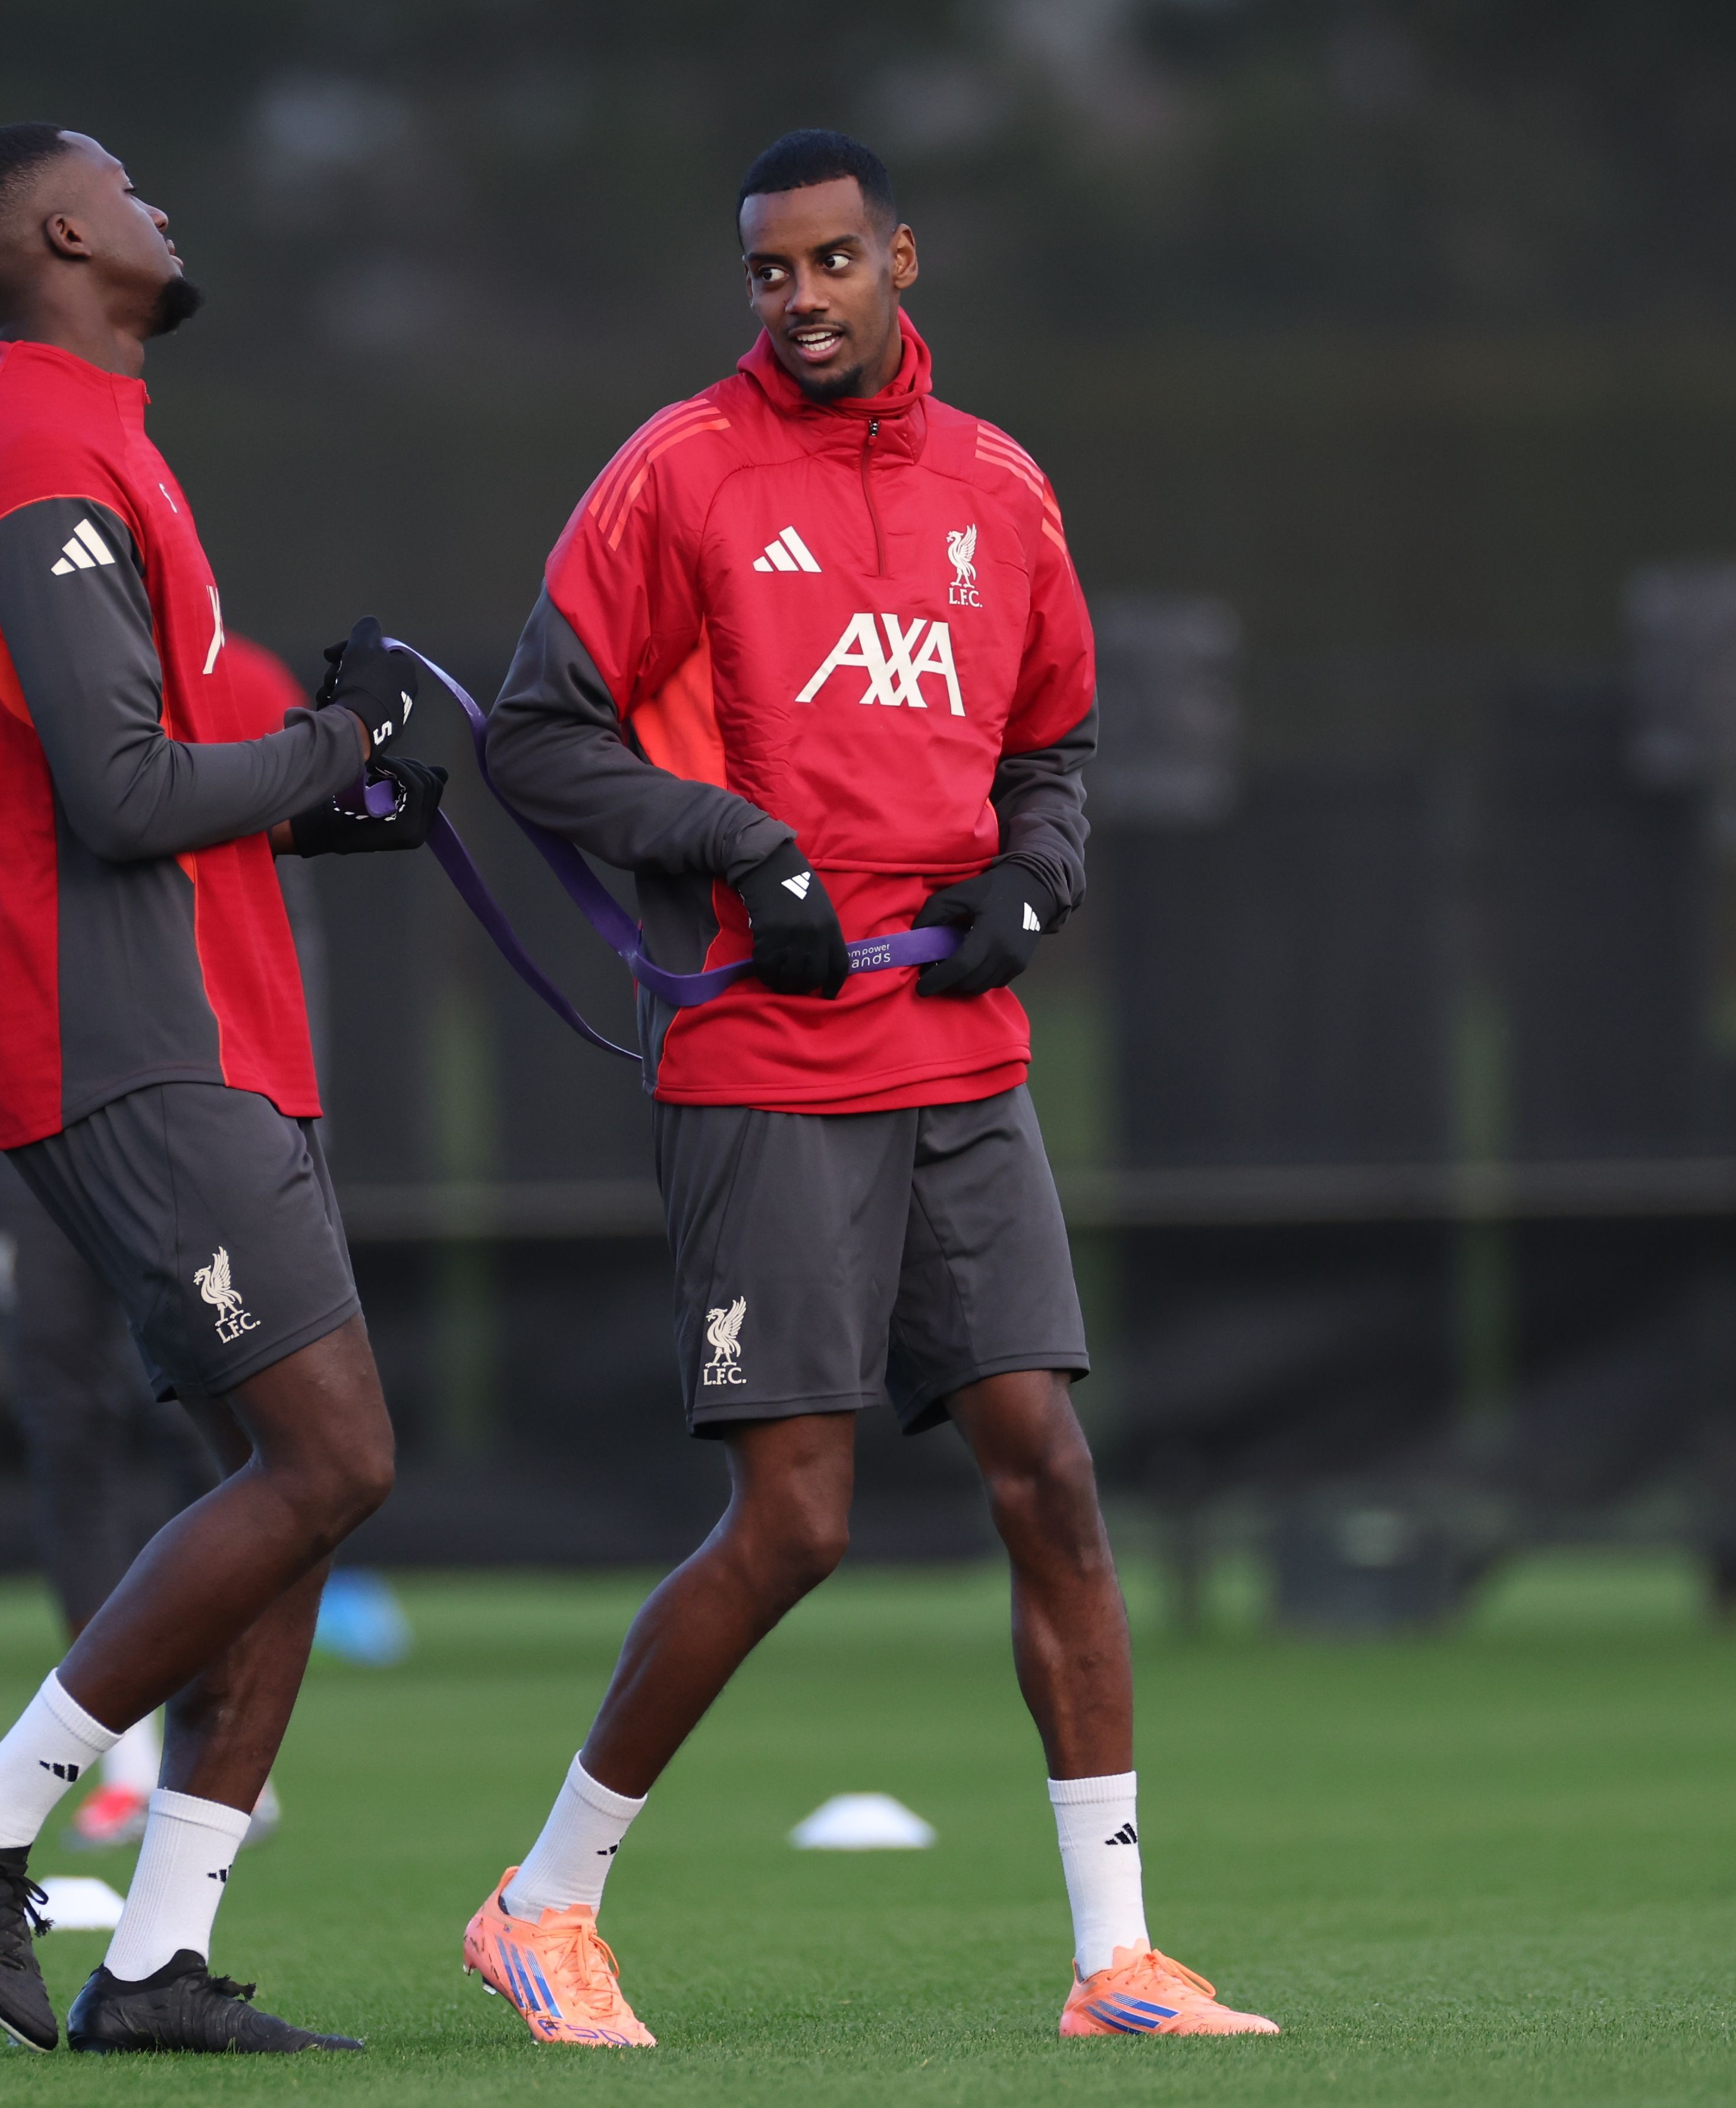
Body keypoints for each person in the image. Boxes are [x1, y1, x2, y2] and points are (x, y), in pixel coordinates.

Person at [461, 130, 1278, 2046]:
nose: (799, 298)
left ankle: (1115, 1966)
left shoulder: (1000, 484)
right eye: (768, 271)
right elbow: (533, 739)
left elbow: (1052, 751)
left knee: (1050, 1479)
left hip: (959, 1063)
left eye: (831, 261)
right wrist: (746, 853)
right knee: (796, 1525)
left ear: (900, 259)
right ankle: (540, 1900)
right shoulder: (676, 473)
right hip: (763, 1061)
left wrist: (1029, 881)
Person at [0, 122, 445, 2057]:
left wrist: (329, 787)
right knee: (329, 1461)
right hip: (129, 1045)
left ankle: (156, 1963)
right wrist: (329, 743)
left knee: (282, 1489)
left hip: (192, 1036)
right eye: (126, 188)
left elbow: (153, 774)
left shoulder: (90, 437)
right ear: (55, 235)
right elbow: (117, 798)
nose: (159, 210)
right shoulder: (34, 443)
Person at [0, 645, 332, 1852]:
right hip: (35, 1121)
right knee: (68, 1420)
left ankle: (197, 1742)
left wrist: (284, 1107)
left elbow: (278, 915)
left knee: (234, 1435)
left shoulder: (237, 679)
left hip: (188, 1107)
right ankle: (107, 1756)